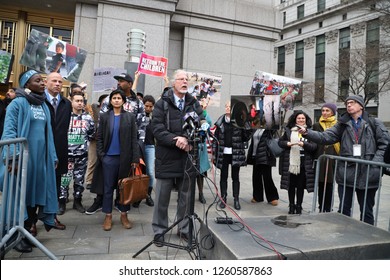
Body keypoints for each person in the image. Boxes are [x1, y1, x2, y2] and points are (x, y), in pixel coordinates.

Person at [299, 95, 389, 225]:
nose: (348, 105)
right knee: (344, 210)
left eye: (352, 103)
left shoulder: (374, 123)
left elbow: (384, 145)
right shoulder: (342, 124)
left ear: (361, 106)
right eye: (347, 103)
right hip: (347, 174)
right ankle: (344, 235)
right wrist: (307, 133)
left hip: (368, 174)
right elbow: (326, 137)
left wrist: (374, 165)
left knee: (366, 211)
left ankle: (367, 238)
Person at [0, 70, 58, 253]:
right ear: (27, 84)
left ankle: (27, 231)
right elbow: (9, 132)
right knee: (19, 198)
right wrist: (13, 158)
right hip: (20, 162)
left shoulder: (42, 106)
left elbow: (49, 134)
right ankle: (15, 237)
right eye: (38, 80)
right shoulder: (17, 104)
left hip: (40, 161)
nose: (42, 83)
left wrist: (53, 156)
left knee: (35, 197)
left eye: (42, 80)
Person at [151, 69, 204, 246]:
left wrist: (194, 135)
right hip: (166, 157)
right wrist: (176, 139)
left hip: (187, 158)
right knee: (161, 198)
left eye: (186, 79)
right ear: (173, 83)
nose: (184, 82)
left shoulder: (193, 103)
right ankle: (159, 231)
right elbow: (157, 129)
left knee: (186, 198)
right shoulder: (162, 103)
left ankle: (184, 229)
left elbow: (201, 122)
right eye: (181, 79)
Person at [86, 72, 146, 214]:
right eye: (118, 80)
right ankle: (100, 202)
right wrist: (101, 153)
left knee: (123, 181)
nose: (119, 82)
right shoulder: (108, 100)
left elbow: (142, 125)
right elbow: (102, 122)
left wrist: (137, 148)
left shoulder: (138, 102)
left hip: (127, 148)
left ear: (130, 84)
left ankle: (122, 204)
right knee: (104, 180)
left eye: (122, 80)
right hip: (108, 148)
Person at [93, 89, 139, 231]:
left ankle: (124, 215)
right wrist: (102, 155)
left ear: (123, 101)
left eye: (119, 98)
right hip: (108, 158)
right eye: (114, 98)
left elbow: (134, 139)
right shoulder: (105, 116)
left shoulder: (130, 117)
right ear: (111, 101)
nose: (117, 100)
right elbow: (99, 137)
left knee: (123, 189)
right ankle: (108, 216)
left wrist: (135, 158)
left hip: (125, 158)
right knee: (108, 189)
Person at [59, 87, 95, 214]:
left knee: (79, 180)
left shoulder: (88, 118)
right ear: (71, 101)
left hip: (82, 156)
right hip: (66, 155)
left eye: (82, 101)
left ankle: (77, 201)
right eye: (77, 100)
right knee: (64, 179)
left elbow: (91, 134)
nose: (80, 103)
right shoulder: (65, 116)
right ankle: (62, 202)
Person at [213, 101, 251, 210]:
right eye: (227, 106)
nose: (228, 108)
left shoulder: (239, 121)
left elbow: (245, 137)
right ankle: (223, 198)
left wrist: (247, 125)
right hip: (223, 153)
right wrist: (215, 154)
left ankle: (236, 199)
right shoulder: (220, 122)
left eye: (230, 107)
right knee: (223, 176)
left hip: (236, 153)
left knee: (236, 177)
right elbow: (216, 140)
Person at [45, 72, 71, 228]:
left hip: (60, 150)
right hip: (42, 150)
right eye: (54, 81)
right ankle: (33, 221)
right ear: (46, 82)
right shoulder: (39, 101)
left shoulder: (66, 103)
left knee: (55, 185)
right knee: (39, 185)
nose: (57, 84)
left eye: (60, 82)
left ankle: (52, 217)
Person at [278, 110, 317, 214]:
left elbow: (314, 146)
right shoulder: (289, 130)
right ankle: (291, 205)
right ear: (295, 119)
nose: (301, 120)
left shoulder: (309, 131)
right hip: (291, 162)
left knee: (300, 186)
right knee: (291, 185)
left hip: (304, 163)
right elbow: (280, 142)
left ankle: (299, 206)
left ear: (306, 120)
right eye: (299, 118)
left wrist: (304, 145)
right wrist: (287, 143)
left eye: (303, 118)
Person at [312, 103, 340, 212]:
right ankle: (321, 207)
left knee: (329, 184)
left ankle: (328, 208)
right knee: (320, 183)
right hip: (320, 158)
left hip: (333, 157)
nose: (324, 113)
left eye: (327, 110)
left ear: (333, 112)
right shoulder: (316, 125)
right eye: (323, 110)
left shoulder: (338, 125)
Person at [247, 129, 279, 206]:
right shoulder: (255, 129)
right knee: (256, 176)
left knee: (267, 177)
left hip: (266, 156)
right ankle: (257, 197)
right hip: (255, 155)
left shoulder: (269, 130)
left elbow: (275, 127)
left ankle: (272, 197)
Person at [135, 94, 156, 207]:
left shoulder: (155, 118)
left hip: (150, 146)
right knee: (139, 173)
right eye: (146, 105)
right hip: (139, 146)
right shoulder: (138, 117)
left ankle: (148, 195)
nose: (148, 108)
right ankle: (138, 195)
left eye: (150, 106)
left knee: (150, 173)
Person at [84, 94, 108, 191]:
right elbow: (86, 107)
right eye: (103, 101)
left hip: (104, 138)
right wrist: (85, 94)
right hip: (94, 138)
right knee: (92, 160)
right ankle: (89, 181)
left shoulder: (109, 111)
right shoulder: (94, 107)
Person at [196, 98, 212, 204]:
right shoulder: (191, 114)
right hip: (191, 145)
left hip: (201, 146)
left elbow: (209, 124)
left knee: (201, 172)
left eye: (202, 106)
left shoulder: (205, 116)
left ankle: (201, 193)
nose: (200, 108)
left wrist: (204, 112)